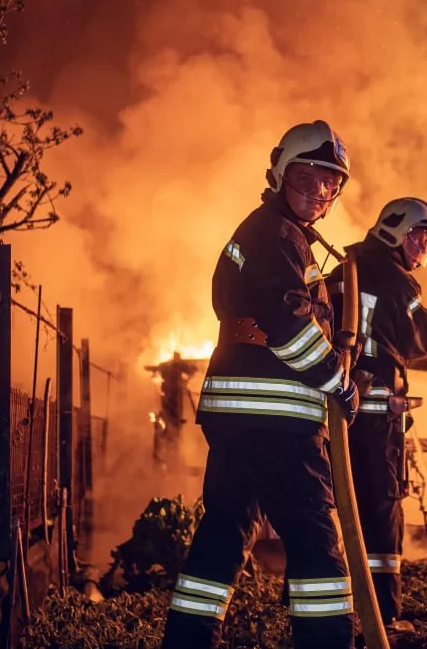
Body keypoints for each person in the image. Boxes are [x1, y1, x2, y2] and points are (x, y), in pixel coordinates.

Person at [161, 120, 362, 649]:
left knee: (226, 529)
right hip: (276, 421)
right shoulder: (276, 235)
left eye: (329, 181)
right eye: (307, 176)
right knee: (315, 538)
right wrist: (337, 382)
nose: (319, 190)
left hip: (239, 418)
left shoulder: (271, 234)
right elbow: (290, 322)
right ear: (279, 172)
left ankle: (188, 638)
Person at [327, 197, 427, 631]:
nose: (424, 246)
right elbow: (421, 338)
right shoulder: (398, 283)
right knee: (382, 509)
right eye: (420, 235)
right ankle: (385, 614)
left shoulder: (345, 271)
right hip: (377, 418)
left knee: (333, 504)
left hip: (337, 414)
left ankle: (336, 609)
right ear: (395, 231)